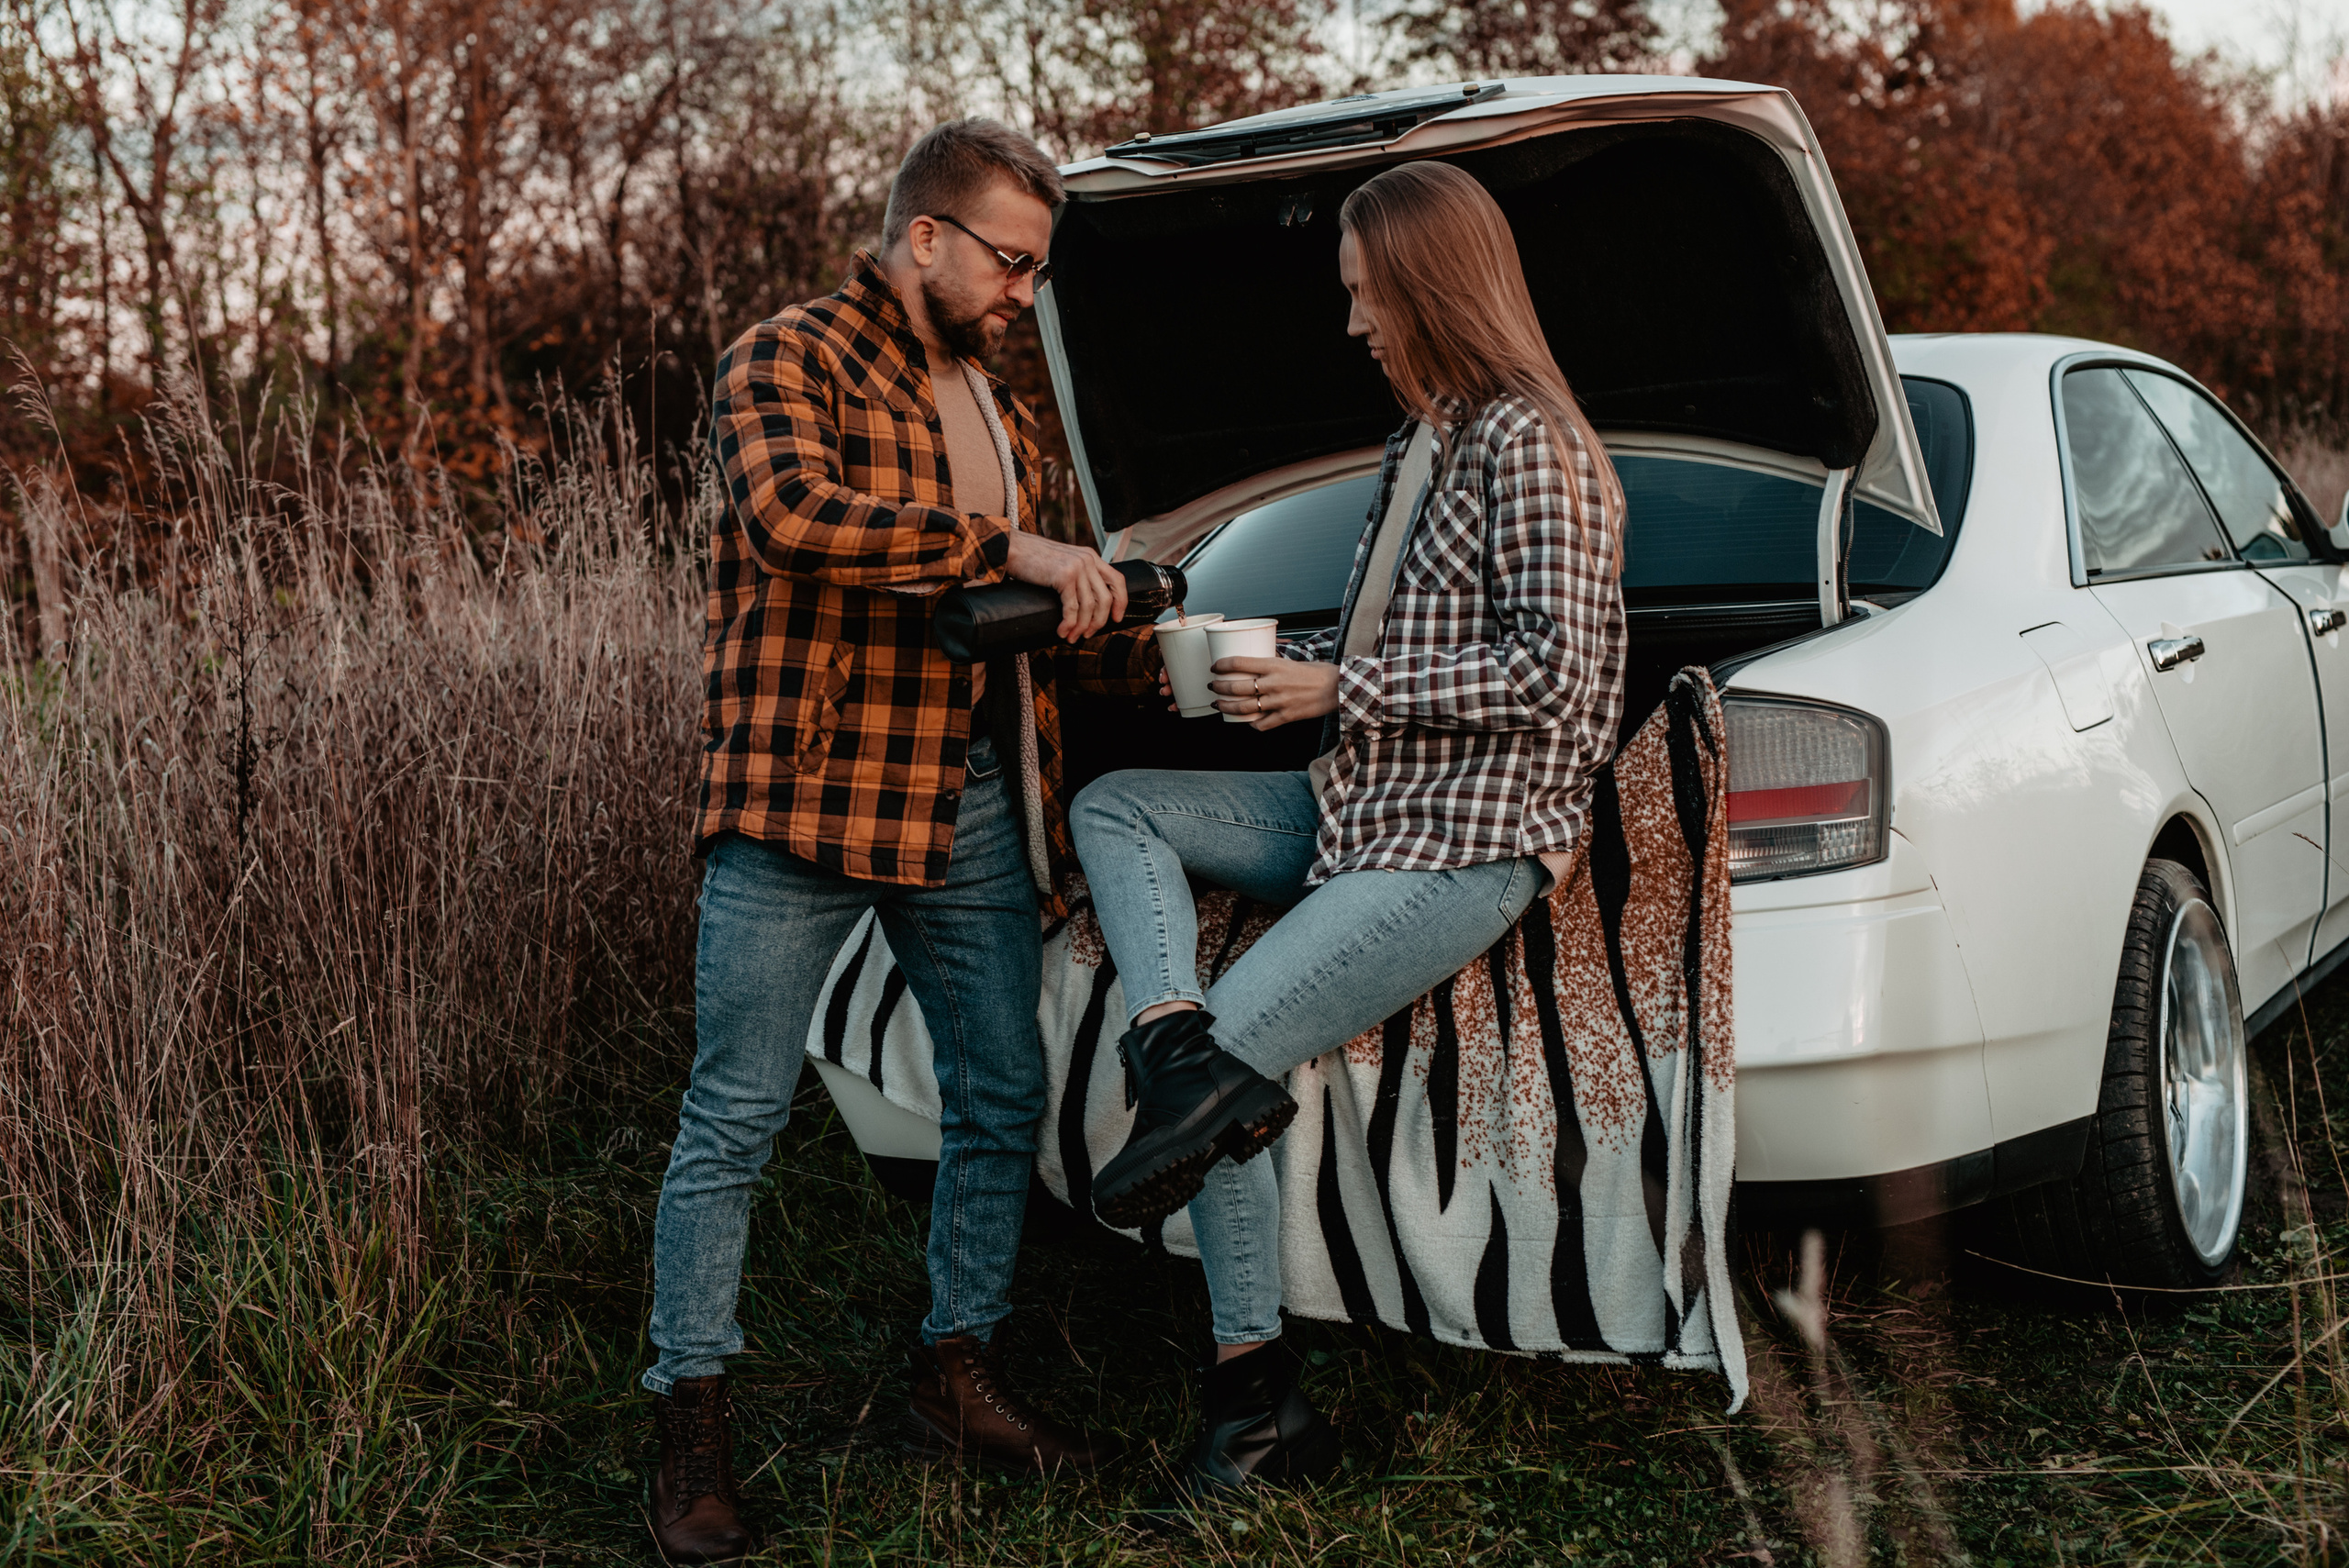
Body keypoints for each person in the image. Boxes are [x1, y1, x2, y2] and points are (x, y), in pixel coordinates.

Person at [1069, 160, 1629, 1500]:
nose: (1354, 323)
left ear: (1430, 287)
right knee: (1117, 802)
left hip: (1464, 843)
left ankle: (1258, 1412)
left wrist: (1344, 686)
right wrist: (1280, 665)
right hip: (1355, 805)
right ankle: (1171, 1046)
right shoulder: (1419, 441)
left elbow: (1567, 677)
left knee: (1236, 1063)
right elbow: (1399, 640)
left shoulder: (1528, 441)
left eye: (1366, 294)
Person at [642, 117, 1153, 1563]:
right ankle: (689, 1420)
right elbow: (795, 517)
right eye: (1010, 261)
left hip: (971, 793)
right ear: (924, 235)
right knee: (733, 1115)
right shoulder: (783, 355)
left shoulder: (1003, 407)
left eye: (1036, 272)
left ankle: (958, 1369)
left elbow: (1032, 616)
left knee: (1000, 1086)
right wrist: (1011, 551)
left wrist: (1141, 627)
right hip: (804, 791)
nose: (1023, 296)